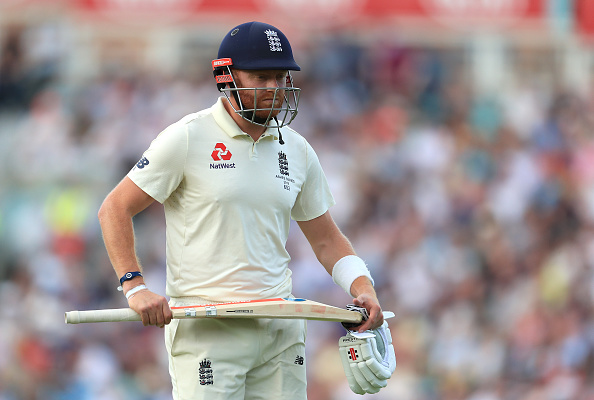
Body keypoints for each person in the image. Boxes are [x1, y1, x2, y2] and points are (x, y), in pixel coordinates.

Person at [98, 21, 389, 399]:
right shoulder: (187, 137)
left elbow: (327, 240)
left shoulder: (297, 149)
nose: (274, 88)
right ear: (226, 76)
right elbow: (114, 208)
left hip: (281, 328)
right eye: (261, 77)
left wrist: (363, 287)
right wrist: (134, 286)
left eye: (281, 77)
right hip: (209, 329)